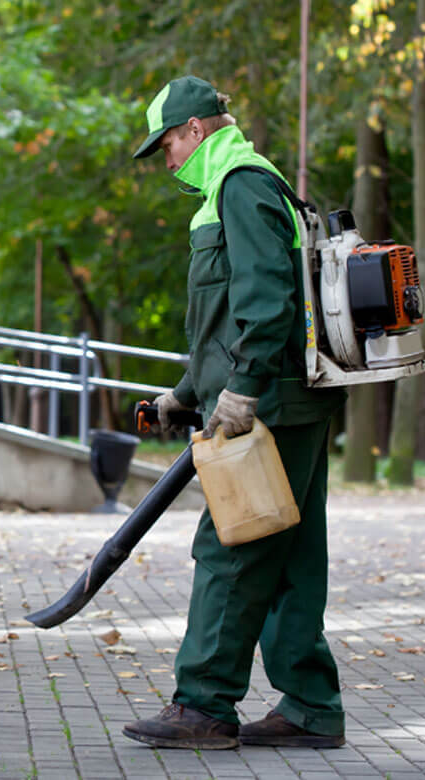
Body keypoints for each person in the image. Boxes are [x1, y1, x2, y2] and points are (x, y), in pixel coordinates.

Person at [121, 75, 348, 750]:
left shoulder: (241, 185)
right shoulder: (236, 187)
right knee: (291, 556)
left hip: (270, 403)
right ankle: (311, 708)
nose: (165, 160)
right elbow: (222, 324)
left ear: (194, 129)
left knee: (232, 549)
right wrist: (182, 397)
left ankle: (204, 707)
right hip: (286, 400)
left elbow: (268, 297)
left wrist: (242, 391)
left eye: (165, 145)